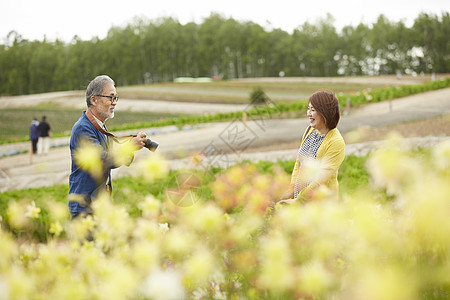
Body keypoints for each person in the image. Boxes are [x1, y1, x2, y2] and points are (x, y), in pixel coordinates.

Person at [68, 75, 148, 219]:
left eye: (115, 98)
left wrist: (134, 143)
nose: (114, 103)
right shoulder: (83, 128)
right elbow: (102, 161)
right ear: (94, 99)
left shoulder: (98, 126)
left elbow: (115, 154)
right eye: (110, 98)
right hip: (85, 210)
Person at [280, 90, 345, 204]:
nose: (308, 113)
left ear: (324, 112)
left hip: (320, 204)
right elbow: (299, 163)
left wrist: (299, 201)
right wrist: (291, 190)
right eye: (308, 109)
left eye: (313, 110)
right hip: (299, 198)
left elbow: (321, 179)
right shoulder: (310, 131)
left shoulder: (336, 142)